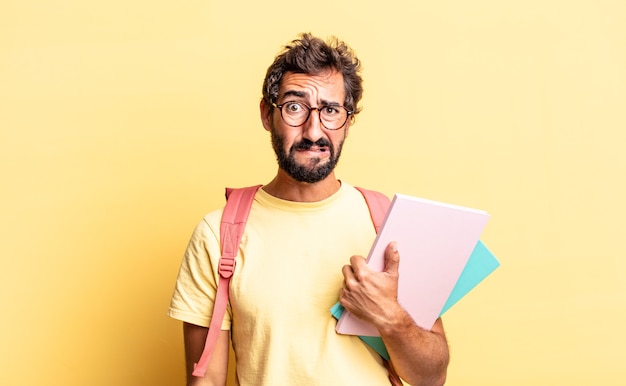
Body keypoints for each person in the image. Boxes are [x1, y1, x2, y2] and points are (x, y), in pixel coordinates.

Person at [168, 33, 449, 386]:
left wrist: (391, 317)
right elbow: (205, 380)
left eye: (331, 110)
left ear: (348, 121)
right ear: (267, 115)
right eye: (295, 107)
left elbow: (432, 377)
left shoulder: (390, 227)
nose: (314, 130)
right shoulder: (217, 234)